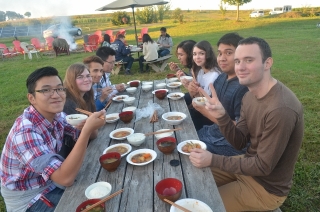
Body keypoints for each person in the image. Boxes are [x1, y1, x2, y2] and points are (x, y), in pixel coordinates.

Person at [189, 37, 304, 211]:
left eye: (249, 60)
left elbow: (263, 166)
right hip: (246, 166)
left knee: (204, 206)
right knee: (191, 177)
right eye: (237, 61)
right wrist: (222, 117)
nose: (240, 67)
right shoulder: (249, 95)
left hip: (265, 188)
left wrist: (212, 159)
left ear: (267, 63)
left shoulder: (281, 108)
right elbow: (239, 142)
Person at [0, 67, 105, 212]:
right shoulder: (25, 132)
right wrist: (87, 130)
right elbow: (65, 179)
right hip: (30, 198)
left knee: (100, 187)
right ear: (31, 98)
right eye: (46, 90)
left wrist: (90, 125)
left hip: (50, 181)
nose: (56, 95)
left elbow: (88, 136)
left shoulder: (57, 116)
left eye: (59, 89)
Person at [192, 33, 248, 156]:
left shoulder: (243, 87)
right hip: (214, 131)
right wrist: (195, 93)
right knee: (187, 133)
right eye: (220, 53)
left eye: (228, 53)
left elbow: (240, 130)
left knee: (188, 148)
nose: (222, 58)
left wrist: (203, 110)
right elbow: (211, 104)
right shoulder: (221, 78)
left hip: (229, 144)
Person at [59, 63, 98, 159]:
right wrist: (94, 124)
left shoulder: (86, 96)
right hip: (72, 154)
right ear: (71, 80)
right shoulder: (68, 104)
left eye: (88, 76)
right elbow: (89, 135)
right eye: (80, 77)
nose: (86, 80)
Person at [188, 40, 221, 130]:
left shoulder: (214, 75)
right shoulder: (201, 71)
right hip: (200, 108)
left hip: (210, 116)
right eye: (194, 54)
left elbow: (205, 101)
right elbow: (195, 96)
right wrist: (191, 88)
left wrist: (194, 92)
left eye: (201, 53)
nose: (197, 57)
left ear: (208, 54)